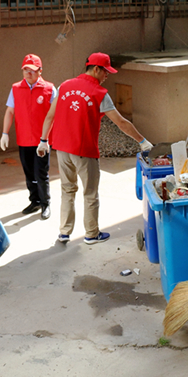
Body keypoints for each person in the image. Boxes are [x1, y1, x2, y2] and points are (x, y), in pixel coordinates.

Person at [37, 52, 153, 244]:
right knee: (90, 193)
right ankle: (91, 234)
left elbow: (50, 115)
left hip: (62, 148)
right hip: (84, 150)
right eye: (106, 71)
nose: (107, 76)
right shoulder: (99, 93)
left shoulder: (65, 86)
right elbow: (120, 123)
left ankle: (64, 232)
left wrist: (43, 140)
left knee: (67, 189)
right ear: (96, 69)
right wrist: (142, 141)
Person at [0, 54, 57, 220]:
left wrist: (46, 139)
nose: (28, 73)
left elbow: (54, 115)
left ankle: (45, 203)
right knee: (29, 173)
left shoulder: (49, 89)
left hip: (42, 140)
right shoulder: (16, 88)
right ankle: (35, 201)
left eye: (32, 70)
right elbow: (10, 111)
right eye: (25, 69)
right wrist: (4, 133)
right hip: (24, 139)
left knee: (41, 173)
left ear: (40, 71)